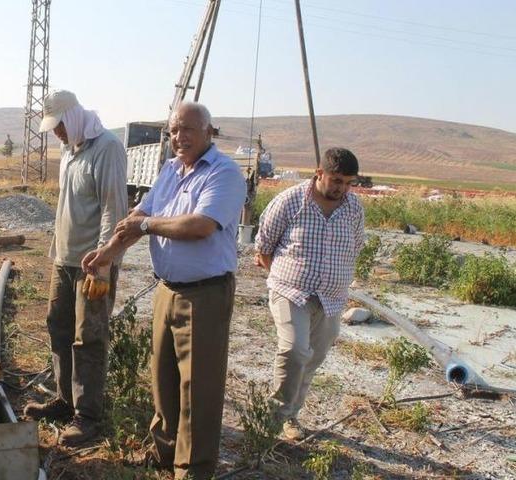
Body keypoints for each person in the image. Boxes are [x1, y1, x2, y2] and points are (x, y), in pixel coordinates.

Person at [82, 102, 246, 479]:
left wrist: (148, 224)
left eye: (188, 129)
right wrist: (106, 254)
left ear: (208, 132)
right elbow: (137, 218)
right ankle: (164, 455)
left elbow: (199, 225)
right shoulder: (170, 170)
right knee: (164, 379)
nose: (179, 137)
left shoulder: (224, 174)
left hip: (205, 295)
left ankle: (193, 469)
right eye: (173, 130)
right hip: (167, 290)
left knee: (197, 389)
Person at [22, 90, 128, 447]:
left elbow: (114, 209)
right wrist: (56, 253)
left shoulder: (107, 148)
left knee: (88, 338)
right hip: (64, 260)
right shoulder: (70, 150)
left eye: (59, 126)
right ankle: (65, 400)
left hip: (92, 264)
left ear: (75, 115)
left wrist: (102, 260)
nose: (56, 133)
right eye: (52, 128)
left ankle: (88, 416)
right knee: (59, 327)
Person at [254, 147, 364, 441]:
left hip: (331, 298)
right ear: (319, 173)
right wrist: (283, 277)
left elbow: (355, 247)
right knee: (294, 350)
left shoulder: (353, 208)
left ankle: (291, 416)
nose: (342, 188)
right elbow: (264, 245)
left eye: (348, 182)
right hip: (291, 292)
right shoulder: (290, 201)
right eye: (336, 180)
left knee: (311, 359)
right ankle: (272, 419)